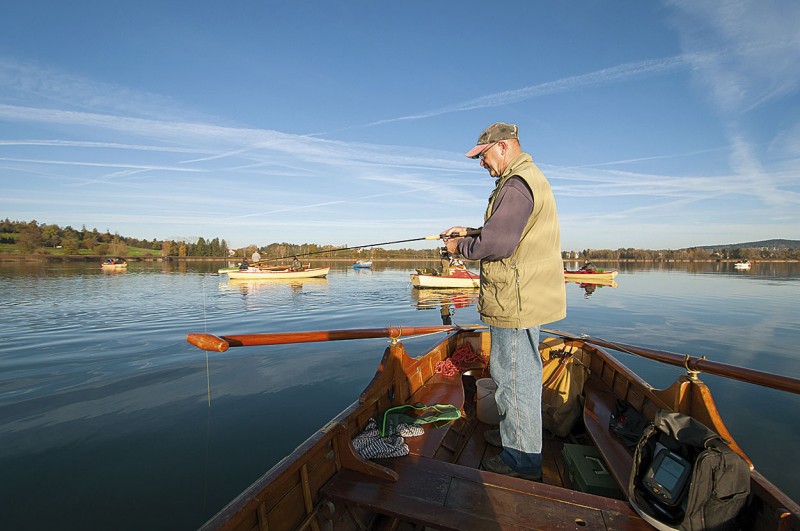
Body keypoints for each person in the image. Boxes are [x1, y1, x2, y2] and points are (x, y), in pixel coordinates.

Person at [443, 122, 566, 481]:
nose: (481, 164)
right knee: (519, 375)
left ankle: (522, 461)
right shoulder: (525, 179)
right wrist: (471, 231)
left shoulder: (516, 184)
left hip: (514, 300)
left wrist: (459, 247)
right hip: (523, 297)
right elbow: (504, 232)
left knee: (513, 378)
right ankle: (517, 438)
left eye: (482, 156)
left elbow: (497, 245)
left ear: (503, 147)